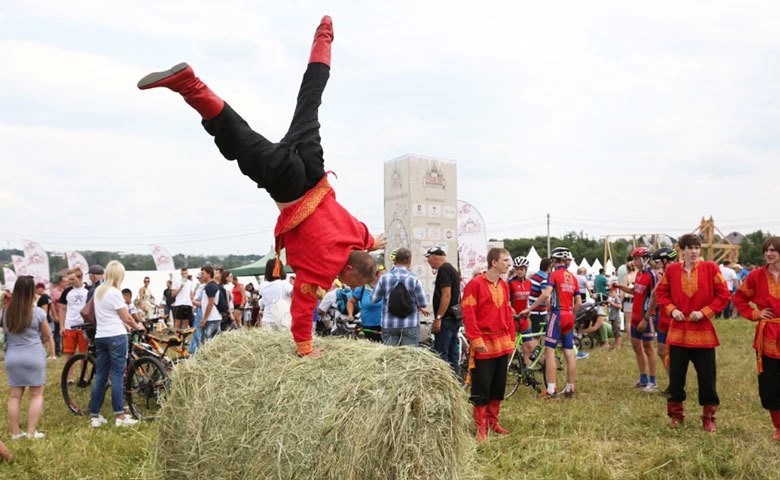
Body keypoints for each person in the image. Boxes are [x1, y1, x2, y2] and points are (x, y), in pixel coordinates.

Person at [138, 16, 384, 356]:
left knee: (310, 100)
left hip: (313, 168)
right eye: (353, 280)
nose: (346, 284)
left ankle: (324, 35)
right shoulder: (324, 270)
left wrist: (373, 243)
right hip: (288, 183)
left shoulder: (357, 236)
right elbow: (302, 309)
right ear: (351, 267)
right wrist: (305, 347)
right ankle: (189, 84)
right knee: (238, 137)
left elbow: (364, 238)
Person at [655, 234, 731, 432]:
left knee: (707, 378)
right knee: (676, 377)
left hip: (703, 333)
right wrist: (672, 309)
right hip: (678, 333)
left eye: (697, 247)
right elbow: (661, 294)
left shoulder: (710, 268)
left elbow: (724, 294)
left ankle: (709, 417)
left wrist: (705, 312)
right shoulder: (671, 270)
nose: (693, 251)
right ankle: (676, 415)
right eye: (689, 248)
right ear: (682, 250)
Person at [461, 248, 515, 441]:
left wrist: (511, 336)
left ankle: (493, 422)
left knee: (498, 383)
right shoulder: (475, 284)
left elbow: (508, 312)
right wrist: (475, 339)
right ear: (494, 262)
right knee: (481, 385)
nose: (509, 264)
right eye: (505, 260)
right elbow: (468, 312)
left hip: (502, 341)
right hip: (483, 341)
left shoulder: (504, 285)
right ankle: (480, 427)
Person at [733, 236, 780, 440]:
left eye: (774, 250)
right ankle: (779, 427)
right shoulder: (756, 276)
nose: (769, 254)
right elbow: (740, 298)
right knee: (770, 382)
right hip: (767, 333)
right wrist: (755, 314)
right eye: (766, 250)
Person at [88, 261, 145, 428]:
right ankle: (120, 415)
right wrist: (137, 326)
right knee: (118, 375)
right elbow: (126, 316)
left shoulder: (99, 290)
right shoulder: (115, 293)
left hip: (101, 336)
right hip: (116, 336)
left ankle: (95, 415)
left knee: (101, 375)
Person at [521, 247, 581, 398]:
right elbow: (579, 302)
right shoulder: (573, 277)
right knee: (568, 351)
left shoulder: (553, 275)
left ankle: (551, 390)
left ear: (554, 260)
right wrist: (571, 314)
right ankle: (570, 388)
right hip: (569, 315)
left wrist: (530, 308)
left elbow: (546, 294)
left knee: (549, 351)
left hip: (557, 313)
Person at [2, 276, 54, 440]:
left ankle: (16, 432)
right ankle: (32, 432)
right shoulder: (37, 312)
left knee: (15, 395)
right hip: (33, 354)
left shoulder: (6, 311)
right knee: (36, 394)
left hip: (13, 356)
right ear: (32, 292)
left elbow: (5, 332)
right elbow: (47, 335)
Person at [615, 247, 659, 392]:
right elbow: (635, 291)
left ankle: (653, 381)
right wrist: (620, 286)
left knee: (648, 348)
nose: (634, 262)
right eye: (633, 259)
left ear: (645, 259)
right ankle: (643, 378)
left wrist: (646, 318)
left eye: (636, 259)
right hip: (634, 315)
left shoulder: (652, 275)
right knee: (636, 347)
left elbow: (655, 298)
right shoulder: (640, 274)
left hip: (646, 317)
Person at [371, 248, 428, 347]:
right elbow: (423, 303)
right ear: (409, 261)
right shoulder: (414, 279)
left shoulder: (384, 278)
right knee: (408, 358)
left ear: (395, 260)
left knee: (391, 358)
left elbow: (374, 299)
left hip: (389, 324)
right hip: (410, 324)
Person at [647, 247, 679, 395]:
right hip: (662, 316)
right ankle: (674, 382)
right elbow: (655, 294)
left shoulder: (677, 273)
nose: (657, 264)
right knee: (661, 351)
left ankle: (677, 384)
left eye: (658, 261)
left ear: (666, 260)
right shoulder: (663, 274)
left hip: (673, 317)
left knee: (675, 353)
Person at [426, 245, 462, 374]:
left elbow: (446, 296)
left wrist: (438, 318)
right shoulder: (452, 268)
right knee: (453, 354)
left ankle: (445, 385)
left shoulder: (444, 270)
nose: (428, 261)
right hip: (454, 317)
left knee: (442, 355)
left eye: (428, 258)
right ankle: (455, 382)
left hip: (446, 319)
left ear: (434, 257)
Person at [59, 267, 89, 368]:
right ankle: (69, 378)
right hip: (69, 325)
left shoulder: (88, 290)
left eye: (72, 279)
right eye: (69, 279)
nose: (70, 282)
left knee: (84, 353)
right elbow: (62, 309)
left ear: (80, 277)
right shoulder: (66, 291)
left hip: (84, 327)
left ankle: (83, 377)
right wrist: (62, 326)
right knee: (69, 353)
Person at [508, 256, 535, 364]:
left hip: (524, 318)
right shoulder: (510, 283)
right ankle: (506, 366)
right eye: (517, 269)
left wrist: (530, 309)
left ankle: (526, 368)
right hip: (513, 318)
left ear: (526, 269)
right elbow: (507, 301)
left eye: (521, 269)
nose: (519, 271)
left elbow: (530, 299)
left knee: (528, 345)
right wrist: (512, 311)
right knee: (510, 347)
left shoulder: (529, 283)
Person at [348, 266, 385, 342]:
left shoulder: (385, 287)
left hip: (385, 325)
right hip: (368, 326)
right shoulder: (362, 288)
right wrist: (350, 315)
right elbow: (350, 302)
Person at [258, 259, 293, 329]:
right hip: (282, 321)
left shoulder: (262, 284)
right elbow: (296, 296)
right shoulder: (284, 284)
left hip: (266, 320)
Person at [194, 266, 223, 344]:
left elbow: (210, 304)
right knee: (213, 342)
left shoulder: (210, 286)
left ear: (209, 274)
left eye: (203, 273)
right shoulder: (209, 286)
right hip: (213, 318)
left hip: (212, 319)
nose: (201, 275)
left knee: (208, 342)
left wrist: (204, 319)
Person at [528, 258, 552, 334]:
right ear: (549, 267)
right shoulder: (544, 278)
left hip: (532, 309)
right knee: (538, 335)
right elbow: (545, 296)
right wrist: (551, 308)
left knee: (542, 333)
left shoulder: (534, 276)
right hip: (539, 312)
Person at [34, 282, 56, 358]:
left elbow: (44, 311)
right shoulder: (48, 297)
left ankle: (53, 355)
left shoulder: (43, 298)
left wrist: (43, 322)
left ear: (41, 288)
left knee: (49, 337)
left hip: (46, 320)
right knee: (49, 337)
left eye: (37, 289)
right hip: (49, 319)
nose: (36, 291)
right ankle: (50, 354)